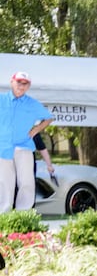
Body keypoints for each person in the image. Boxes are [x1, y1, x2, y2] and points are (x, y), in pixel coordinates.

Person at [1, 71, 55, 213]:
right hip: (3, 148)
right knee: (4, 183)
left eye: (25, 84)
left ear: (28, 86)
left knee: (26, 182)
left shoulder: (32, 103)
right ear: (12, 82)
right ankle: (3, 215)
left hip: (24, 148)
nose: (21, 86)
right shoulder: (1, 99)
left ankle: (23, 214)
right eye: (19, 82)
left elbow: (49, 118)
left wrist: (37, 128)